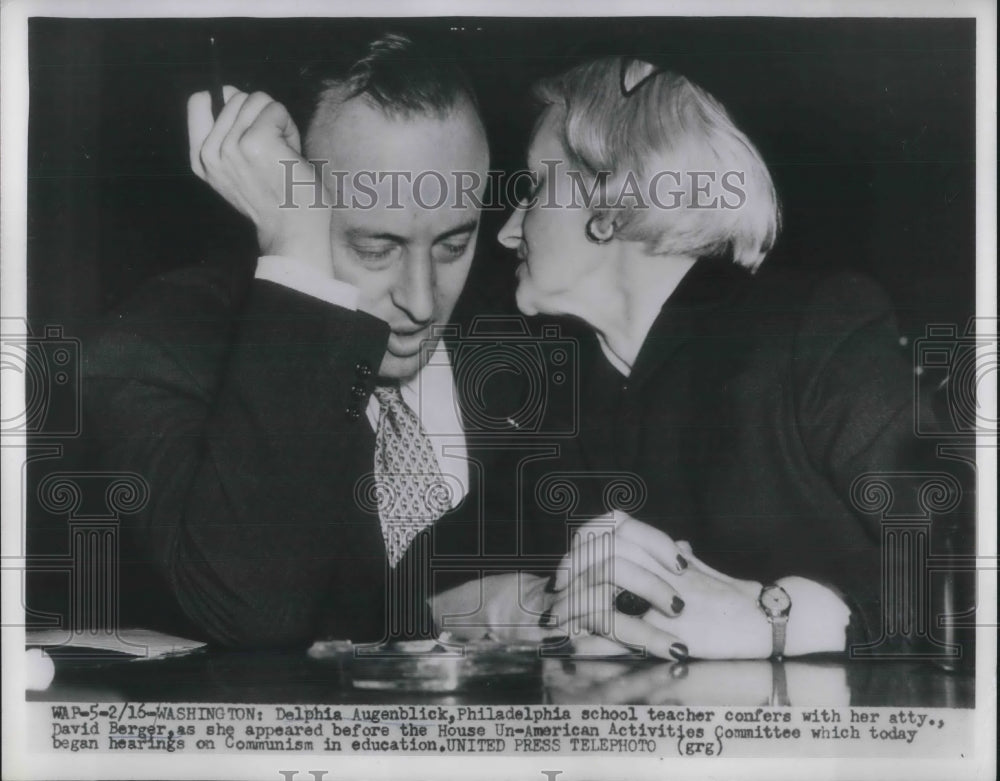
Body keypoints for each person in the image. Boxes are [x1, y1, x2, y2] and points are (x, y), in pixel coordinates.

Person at [438, 57, 962, 660]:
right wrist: (546, 605)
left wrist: (773, 617)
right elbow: (408, 588)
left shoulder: (812, 328)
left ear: (611, 195)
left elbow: (964, 563)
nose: (507, 232)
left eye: (532, 186)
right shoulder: (557, 396)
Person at [80, 33, 513, 648]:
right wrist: (299, 260)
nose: (421, 301)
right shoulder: (155, 350)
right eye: (375, 245)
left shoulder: (534, 353)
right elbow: (252, 612)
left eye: (453, 244)